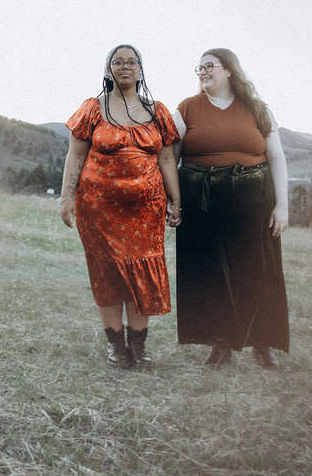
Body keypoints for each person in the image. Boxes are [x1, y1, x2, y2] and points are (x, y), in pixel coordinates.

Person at [60, 44, 182, 369]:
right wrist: (66, 197)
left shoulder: (158, 111)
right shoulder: (92, 108)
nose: (125, 66)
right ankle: (116, 346)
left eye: (132, 61)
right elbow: (75, 155)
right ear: (107, 69)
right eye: (118, 61)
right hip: (98, 208)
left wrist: (176, 201)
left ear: (141, 69)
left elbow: (167, 158)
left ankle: (138, 348)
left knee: (143, 272)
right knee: (108, 274)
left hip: (146, 210)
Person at [171, 48, 289, 369]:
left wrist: (282, 205)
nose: (203, 72)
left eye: (210, 66)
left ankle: (262, 343)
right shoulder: (187, 109)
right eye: (200, 67)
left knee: (258, 270)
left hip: (254, 199)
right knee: (209, 272)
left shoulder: (257, 109)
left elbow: (276, 157)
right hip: (201, 200)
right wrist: (173, 200)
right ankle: (219, 344)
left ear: (229, 71)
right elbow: (170, 156)